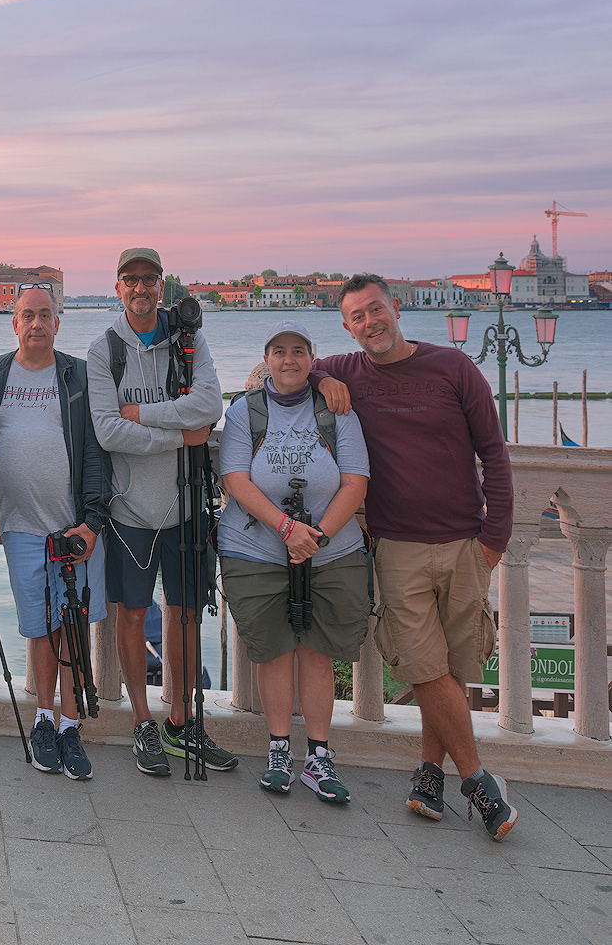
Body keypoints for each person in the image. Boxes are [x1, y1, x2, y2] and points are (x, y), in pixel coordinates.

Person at [311, 274, 517, 839]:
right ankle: (478, 782)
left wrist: (493, 540)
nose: (370, 322)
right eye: (357, 316)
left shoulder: (454, 369)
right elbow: (285, 366)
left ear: (395, 309)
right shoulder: (348, 370)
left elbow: (494, 458)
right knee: (425, 667)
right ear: (347, 327)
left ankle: (430, 773)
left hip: (464, 543)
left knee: (449, 667)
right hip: (397, 545)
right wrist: (323, 377)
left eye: (376, 310)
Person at [86, 247, 237, 776]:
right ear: (119, 286)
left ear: (161, 284)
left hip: (189, 504)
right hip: (130, 508)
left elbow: (211, 406)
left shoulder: (188, 339)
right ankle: (142, 722)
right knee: (131, 614)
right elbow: (107, 430)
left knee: (186, 613)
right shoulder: (105, 349)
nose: (141, 288)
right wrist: (177, 435)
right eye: (131, 280)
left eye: (149, 280)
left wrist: (144, 416)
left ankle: (180, 721)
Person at [217, 320, 370, 802]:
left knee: (317, 649)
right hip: (256, 548)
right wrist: (286, 530)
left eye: (299, 351)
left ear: (311, 358)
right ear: (267, 359)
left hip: (331, 549)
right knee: (274, 648)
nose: (290, 360)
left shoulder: (336, 409)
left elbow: (355, 482)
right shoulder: (244, 412)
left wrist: (317, 536)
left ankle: (319, 756)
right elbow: (235, 480)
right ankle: (280, 748)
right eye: (280, 351)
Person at [0, 286, 107, 780]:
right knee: (38, 628)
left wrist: (93, 523)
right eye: (27, 315)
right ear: (14, 324)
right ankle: (42, 719)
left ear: (58, 322)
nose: (36, 323)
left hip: (74, 528)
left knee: (72, 629)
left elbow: (97, 451)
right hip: (21, 528)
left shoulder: (77, 375)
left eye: (45, 315)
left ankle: (71, 726)